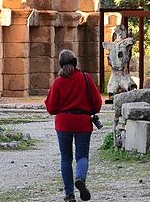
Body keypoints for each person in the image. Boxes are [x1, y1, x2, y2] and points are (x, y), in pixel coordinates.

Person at [44, 49, 103, 202]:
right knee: (82, 156)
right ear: (75, 62)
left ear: (60, 65)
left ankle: (69, 194)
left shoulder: (58, 82)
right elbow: (97, 103)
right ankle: (81, 179)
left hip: (64, 123)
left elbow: (51, 108)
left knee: (65, 158)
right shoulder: (86, 78)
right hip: (83, 122)